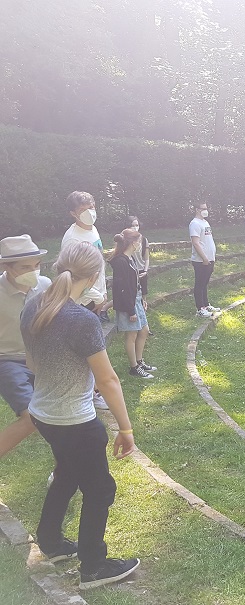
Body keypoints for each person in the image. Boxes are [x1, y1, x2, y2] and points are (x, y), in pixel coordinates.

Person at [20, 242, 140, 590]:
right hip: (74, 422)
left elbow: (32, 364)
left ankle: (51, 542)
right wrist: (126, 429)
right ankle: (94, 567)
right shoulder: (82, 320)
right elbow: (108, 380)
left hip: (43, 414)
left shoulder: (33, 306)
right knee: (100, 489)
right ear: (93, 276)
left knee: (67, 474)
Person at [0, 235, 51, 457]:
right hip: (8, 361)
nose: (33, 271)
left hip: (42, 359)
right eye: (25, 267)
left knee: (61, 417)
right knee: (32, 418)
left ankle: (64, 471)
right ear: (7, 267)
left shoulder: (45, 285)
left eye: (36, 265)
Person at [61, 191, 109, 411]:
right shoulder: (73, 238)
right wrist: (96, 296)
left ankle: (92, 390)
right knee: (88, 349)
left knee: (94, 345)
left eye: (92, 207)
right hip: (82, 301)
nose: (89, 213)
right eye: (83, 210)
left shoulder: (93, 230)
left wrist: (102, 292)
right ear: (73, 213)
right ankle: (92, 393)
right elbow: (72, 276)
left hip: (96, 296)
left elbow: (98, 266)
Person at [108, 229, 155, 379]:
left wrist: (141, 300)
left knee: (144, 330)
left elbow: (134, 284)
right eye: (139, 241)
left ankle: (139, 362)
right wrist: (131, 311)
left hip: (136, 299)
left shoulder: (130, 259)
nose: (140, 244)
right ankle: (134, 367)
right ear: (133, 243)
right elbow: (123, 289)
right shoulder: (121, 262)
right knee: (132, 335)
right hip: (128, 304)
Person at [189, 202, 220, 317]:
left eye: (206, 208)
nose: (206, 210)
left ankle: (206, 305)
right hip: (200, 260)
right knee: (199, 284)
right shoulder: (194, 224)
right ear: (197, 209)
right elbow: (196, 243)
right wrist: (204, 258)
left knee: (205, 283)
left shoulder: (205, 222)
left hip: (209, 258)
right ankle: (200, 309)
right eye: (203, 208)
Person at [126, 216, 153, 336]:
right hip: (130, 271)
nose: (135, 227)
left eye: (136, 225)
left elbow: (146, 258)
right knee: (132, 297)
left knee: (143, 298)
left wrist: (145, 270)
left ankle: (144, 325)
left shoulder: (143, 240)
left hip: (141, 271)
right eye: (132, 225)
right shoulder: (125, 240)